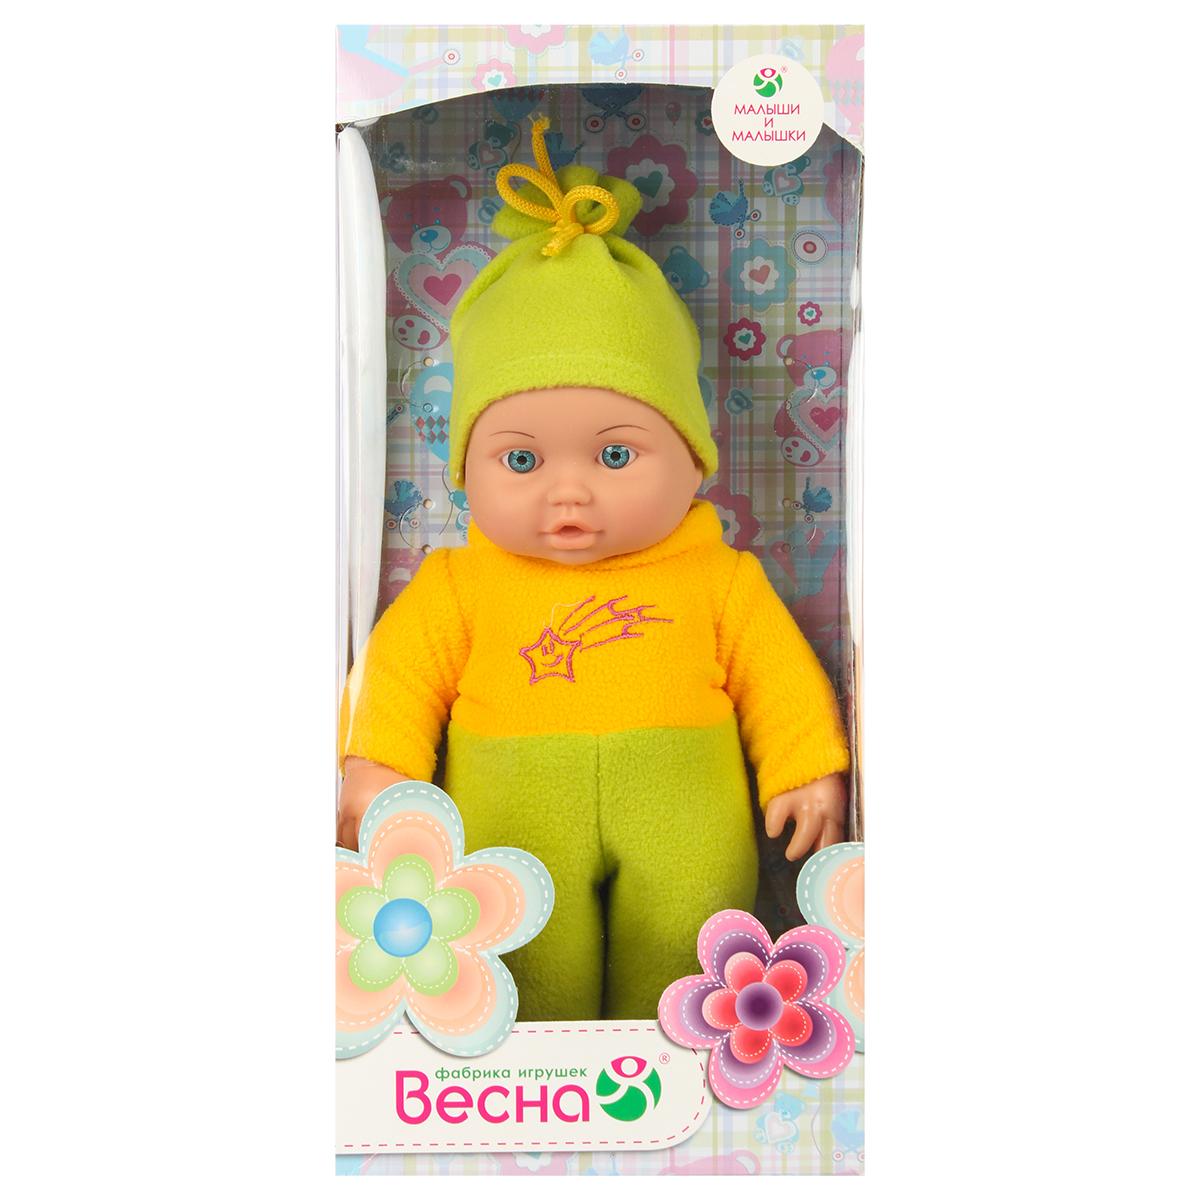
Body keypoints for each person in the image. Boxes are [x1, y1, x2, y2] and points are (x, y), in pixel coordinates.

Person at [338, 119, 849, 1020]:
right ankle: (528, 1067)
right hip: (511, 818)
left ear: (693, 458)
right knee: (521, 956)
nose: (568, 493)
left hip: (687, 811)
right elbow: (400, 676)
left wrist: (807, 769)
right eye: (521, 461)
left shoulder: (717, 576)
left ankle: (679, 1060)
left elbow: (777, 680)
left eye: (616, 456)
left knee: (691, 942)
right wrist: (379, 769)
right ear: (465, 469)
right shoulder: (460, 583)